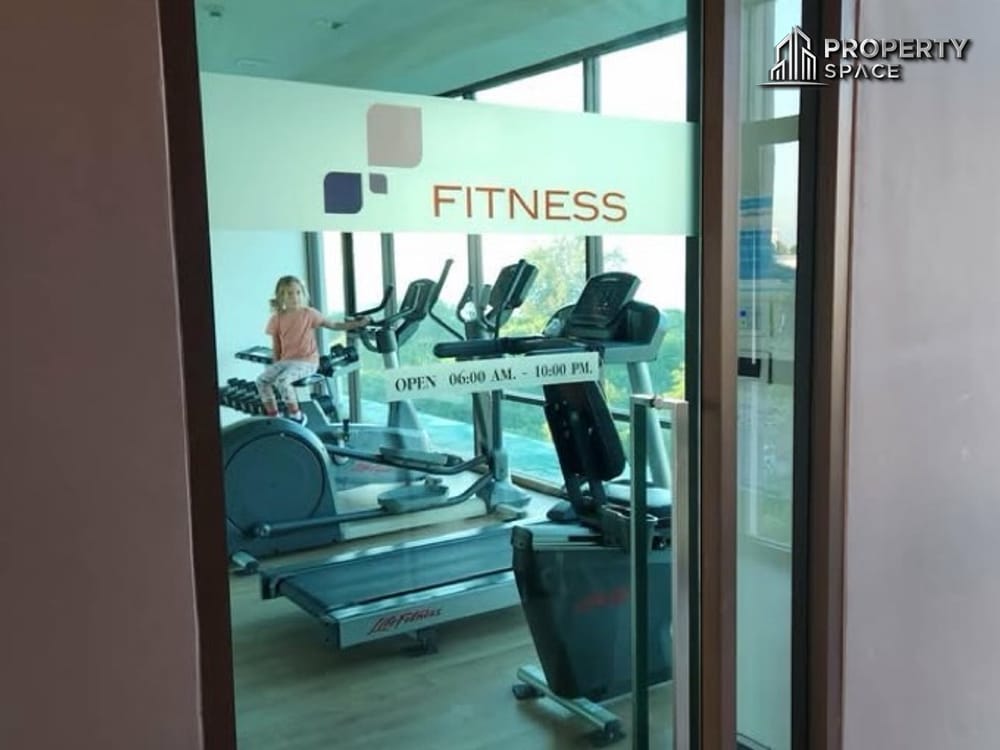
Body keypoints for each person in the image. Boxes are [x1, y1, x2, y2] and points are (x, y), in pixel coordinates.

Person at [256, 275, 368, 425]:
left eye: (298, 292)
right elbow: (276, 345)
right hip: (287, 361)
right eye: (289, 294)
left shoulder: (309, 314)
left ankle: (297, 416)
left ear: (303, 294)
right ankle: (274, 415)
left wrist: (357, 324)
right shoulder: (276, 318)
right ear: (281, 297)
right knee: (261, 380)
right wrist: (276, 366)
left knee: (282, 381)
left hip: (307, 361)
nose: (294, 297)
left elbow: (334, 325)